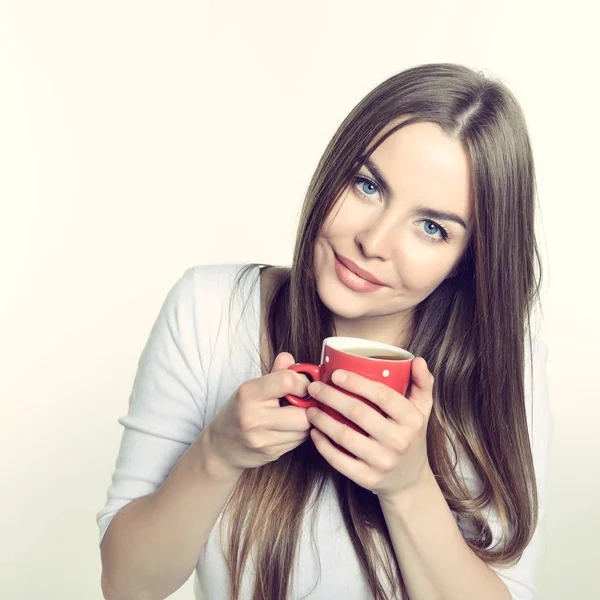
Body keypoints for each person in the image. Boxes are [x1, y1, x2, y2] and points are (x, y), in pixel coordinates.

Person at [97, 63, 553, 600]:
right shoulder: (210, 309)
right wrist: (217, 452)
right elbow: (127, 585)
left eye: (432, 228)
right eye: (367, 185)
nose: (374, 240)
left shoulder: (504, 361)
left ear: (466, 260)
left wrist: (408, 488)